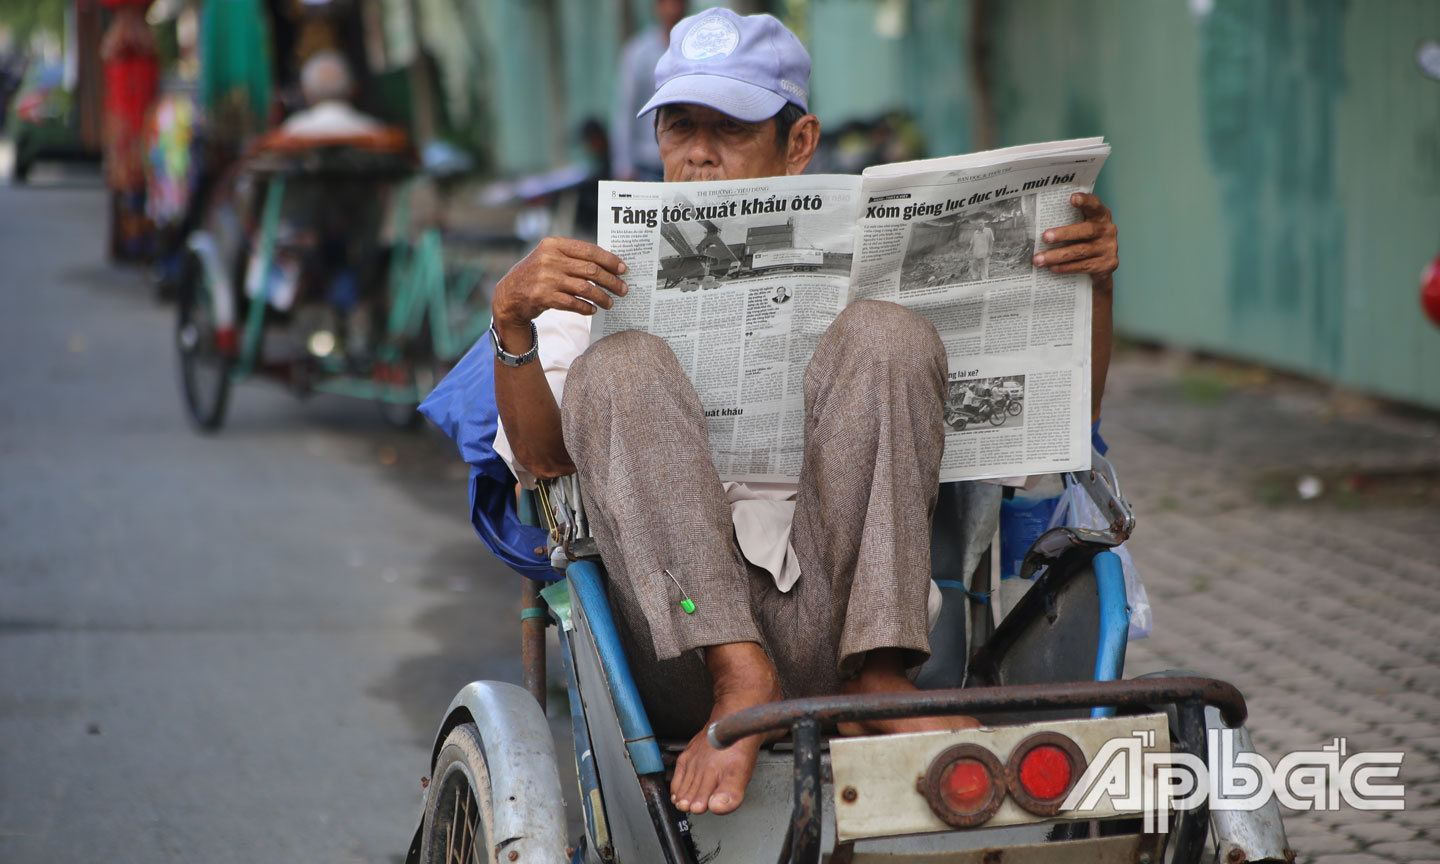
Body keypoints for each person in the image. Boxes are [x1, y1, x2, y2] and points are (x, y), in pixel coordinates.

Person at [488, 8, 1120, 818]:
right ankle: (737, 671)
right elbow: (542, 463)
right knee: (622, 365)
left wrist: (1094, 287)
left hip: (847, 614)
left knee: (888, 331)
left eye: (733, 128)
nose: (701, 154)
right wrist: (511, 326)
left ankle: (876, 673)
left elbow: (1057, 433)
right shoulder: (599, 281)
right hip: (679, 631)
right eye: (681, 129)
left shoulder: (873, 271)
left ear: (799, 143)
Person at [611, 0, 687, 181]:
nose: (672, 10)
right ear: (656, 7)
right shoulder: (638, 53)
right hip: (648, 163)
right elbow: (626, 109)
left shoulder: (695, 49)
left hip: (686, 158)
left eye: (677, 3)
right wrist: (623, 165)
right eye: (666, 3)